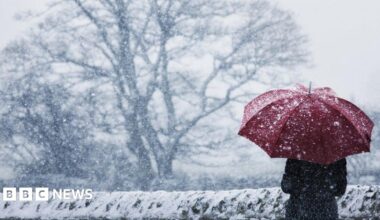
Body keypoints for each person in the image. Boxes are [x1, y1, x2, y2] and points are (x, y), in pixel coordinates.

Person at [281, 158, 347, 220]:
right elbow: (340, 190)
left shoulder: (296, 155)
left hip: (298, 210)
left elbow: (286, 187)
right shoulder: (336, 155)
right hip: (326, 212)